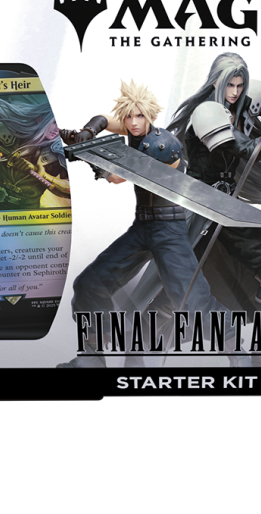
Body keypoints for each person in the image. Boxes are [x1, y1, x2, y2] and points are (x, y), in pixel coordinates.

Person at [57, 80, 245, 368]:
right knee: (90, 284)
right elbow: (106, 119)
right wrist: (88, 132)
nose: (133, 123)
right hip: (143, 226)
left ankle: (240, 355)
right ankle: (93, 358)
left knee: (193, 301)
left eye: (139, 116)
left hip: (169, 230)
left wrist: (89, 157)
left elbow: (117, 177)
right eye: (129, 116)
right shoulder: (135, 130)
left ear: (150, 116)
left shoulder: (160, 145)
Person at [166, 52, 261, 367]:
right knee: (179, 290)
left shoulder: (241, 99)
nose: (235, 92)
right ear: (216, 82)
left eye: (240, 85)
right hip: (202, 212)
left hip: (226, 208)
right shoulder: (206, 113)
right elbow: (251, 151)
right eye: (229, 85)